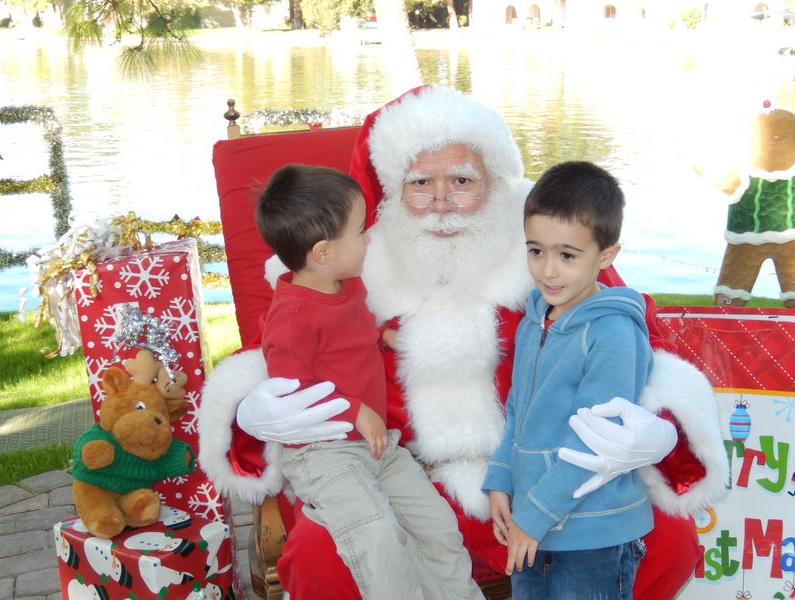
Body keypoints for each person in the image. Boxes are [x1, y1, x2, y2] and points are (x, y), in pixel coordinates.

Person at [199, 85, 729, 600]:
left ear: (494, 182)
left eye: (462, 180)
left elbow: (645, 344)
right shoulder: (348, 265)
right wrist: (250, 412)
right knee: (321, 558)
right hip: (400, 478)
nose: (440, 204)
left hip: (540, 474)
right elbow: (279, 354)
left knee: (665, 542)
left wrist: (665, 430)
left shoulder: (545, 251)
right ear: (390, 191)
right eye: (419, 184)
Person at [251, 163, 483, 600]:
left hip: (378, 446)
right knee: (376, 536)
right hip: (325, 454)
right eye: (359, 232)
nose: (368, 238)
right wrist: (355, 410)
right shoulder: (291, 319)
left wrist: (382, 337)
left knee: (437, 526)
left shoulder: (347, 285)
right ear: (322, 252)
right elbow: (292, 392)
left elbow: (346, 340)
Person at [483, 161, 654, 599]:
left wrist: (534, 515)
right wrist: (501, 477)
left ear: (607, 255)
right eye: (535, 251)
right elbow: (519, 408)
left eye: (567, 255)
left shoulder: (612, 332)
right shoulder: (534, 319)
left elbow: (597, 442)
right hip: (534, 523)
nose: (548, 271)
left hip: (592, 535)